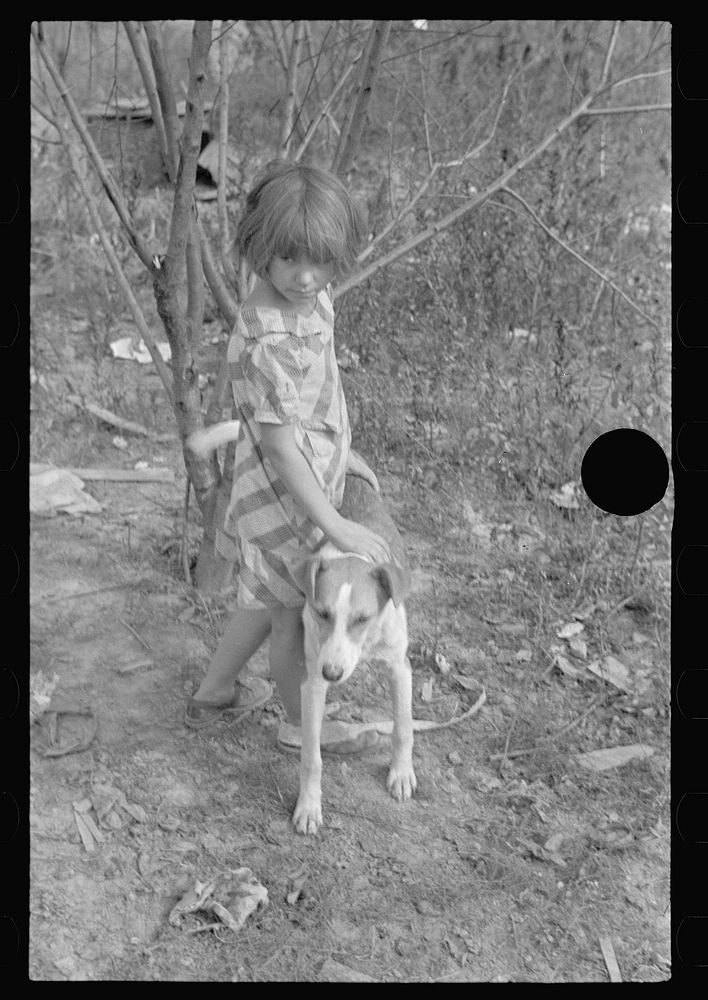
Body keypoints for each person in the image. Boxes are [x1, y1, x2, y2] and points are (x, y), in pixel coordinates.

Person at [185, 160, 391, 754]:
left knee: (266, 597)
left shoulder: (311, 298)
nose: (304, 277)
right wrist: (335, 521)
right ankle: (300, 728)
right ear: (258, 250)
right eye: (286, 260)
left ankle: (214, 691)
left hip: (306, 473)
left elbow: (315, 396)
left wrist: (343, 457)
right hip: (283, 497)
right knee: (286, 616)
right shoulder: (271, 340)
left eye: (320, 261)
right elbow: (278, 444)